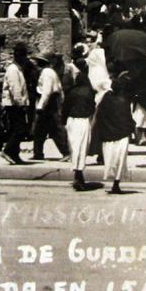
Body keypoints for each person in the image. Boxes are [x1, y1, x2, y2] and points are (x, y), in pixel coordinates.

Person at [91, 73, 135, 194]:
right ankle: (116, 183)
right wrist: (131, 129)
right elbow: (127, 119)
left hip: (108, 135)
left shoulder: (105, 99)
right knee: (120, 160)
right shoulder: (124, 101)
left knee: (110, 159)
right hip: (121, 134)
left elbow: (100, 116)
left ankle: (113, 181)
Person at [61, 58, 95, 191]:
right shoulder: (88, 92)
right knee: (82, 148)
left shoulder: (71, 92)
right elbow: (92, 107)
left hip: (72, 121)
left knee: (74, 147)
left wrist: (64, 121)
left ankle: (77, 174)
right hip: (83, 120)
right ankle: (79, 174)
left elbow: (65, 108)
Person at [32, 54, 69, 160]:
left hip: (49, 103)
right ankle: (38, 153)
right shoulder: (49, 72)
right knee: (40, 129)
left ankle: (65, 151)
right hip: (50, 101)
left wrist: (40, 106)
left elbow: (47, 91)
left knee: (53, 128)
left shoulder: (47, 73)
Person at [0, 42, 30, 165]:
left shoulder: (17, 69)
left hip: (16, 104)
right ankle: (7, 151)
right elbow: (15, 88)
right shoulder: (13, 70)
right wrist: (21, 104)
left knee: (15, 130)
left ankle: (14, 154)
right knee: (20, 129)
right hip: (14, 105)